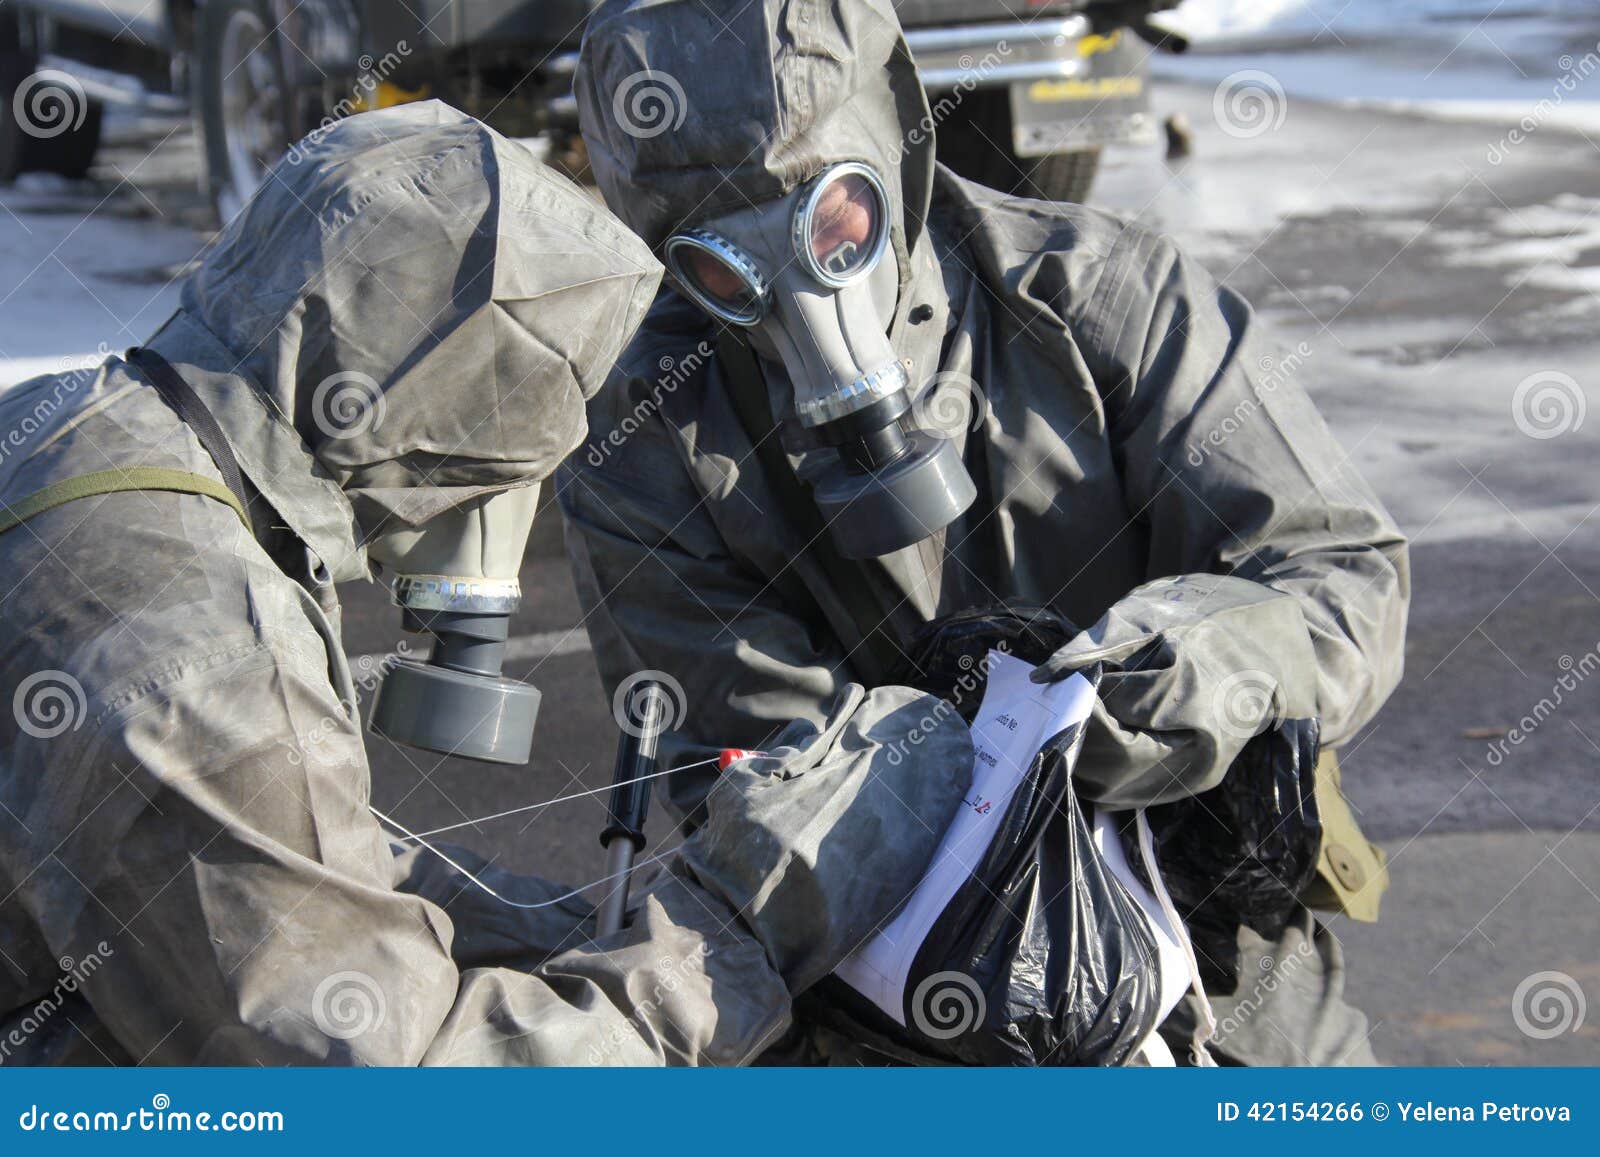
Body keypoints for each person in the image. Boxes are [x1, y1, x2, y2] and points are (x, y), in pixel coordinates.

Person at [0, 102, 969, 1065]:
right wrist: (735, 938)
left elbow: (267, 855)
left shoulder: (78, 427)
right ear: (441, 397)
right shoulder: (207, 654)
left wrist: (549, 924)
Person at [563, 0, 1410, 1065]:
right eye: (726, 266)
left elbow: (1338, 571)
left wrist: (1172, 675)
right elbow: (740, 765)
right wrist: (935, 796)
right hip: (894, 969)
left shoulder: (1108, 300)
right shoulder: (648, 444)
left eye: (830, 221)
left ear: (899, 138)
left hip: (1199, 902)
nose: (799, 286)